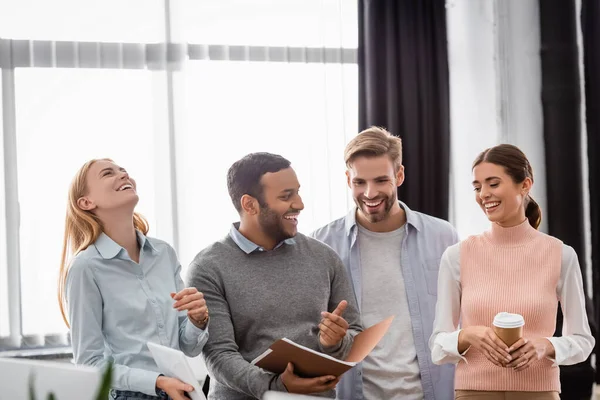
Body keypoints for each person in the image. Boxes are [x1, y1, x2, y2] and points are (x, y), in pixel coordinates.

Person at [186, 152, 362, 400]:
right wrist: (276, 386)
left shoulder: (324, 257)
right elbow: (219, 355)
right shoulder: (208, 267)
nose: (299, 204)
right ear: (250, 205)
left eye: (297, 192)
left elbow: (354, 331)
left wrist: (335, 343)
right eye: (286, 196)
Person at [430, 144, 595, 399]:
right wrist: (469, 335)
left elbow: (583, 341)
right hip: (473, 392)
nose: (483, 194)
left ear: (525, 185)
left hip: (539, 392)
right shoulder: (457, 256)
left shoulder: (561, 255)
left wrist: (546, 345)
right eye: (477, 187)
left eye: (493, 184)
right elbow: (437, 347)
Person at [311, 126, 460, 399]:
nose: (369, 193)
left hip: (432, 392)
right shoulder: (322, 244)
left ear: (399, 175)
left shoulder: (443, 236)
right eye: (359, 182)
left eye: (381, 181)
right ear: (347, 179)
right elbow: (309, 329)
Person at [58, 159, 209, 400]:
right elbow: (89, 363)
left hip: (180, 390)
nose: (123, 175)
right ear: (86, 202)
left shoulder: (164, 254)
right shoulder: (85, 268)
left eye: (124, 171)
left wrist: (198, 320)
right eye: (109, 173)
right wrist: (157, 382)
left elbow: (189, 347)